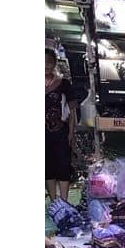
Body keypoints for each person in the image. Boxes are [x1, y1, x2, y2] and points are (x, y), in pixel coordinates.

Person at [45, 47, 79, 203]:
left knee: (63, 166)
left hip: (61, 133)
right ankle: (54, 202)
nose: (46, 65)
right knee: (47, 167)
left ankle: (64, 202)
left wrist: (71, 132)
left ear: (54, 63)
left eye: (49, 62)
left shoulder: (63, 83)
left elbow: (72, 110)